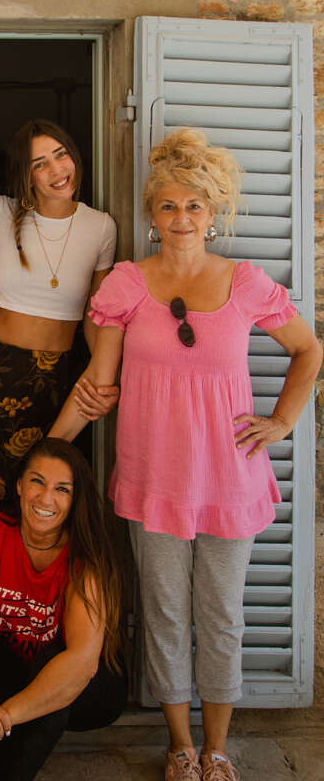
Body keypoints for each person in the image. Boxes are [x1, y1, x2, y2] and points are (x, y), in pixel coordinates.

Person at [49, 129, 322, 781]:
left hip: (230, 479)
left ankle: (218, 746)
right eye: (168, 206)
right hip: (153, 478)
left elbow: (308, 350)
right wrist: (53, 447)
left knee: (222, 616)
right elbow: (101, 384)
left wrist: (282, 421)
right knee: (166, 616)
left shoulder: (247, 283)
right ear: (151, 213)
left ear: (213, 212)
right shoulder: (127, 285)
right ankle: (179, 746)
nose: (181, 218)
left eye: (194, 206)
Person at [0, 438, 127, 781]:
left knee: (53, 668)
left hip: (91, 689)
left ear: (75, 499)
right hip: (17, 672)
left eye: (62, 489)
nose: (46, 498)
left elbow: (80, 664)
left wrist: (2, 715)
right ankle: (11, 751)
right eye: (37, 481)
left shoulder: (85, 554)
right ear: (19, 485)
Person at [0, 119, 119, 527]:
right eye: (39, 163)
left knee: (43, 495)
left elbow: (96, 318)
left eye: (61, 155)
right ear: (24, 174)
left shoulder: (101, 226)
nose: (56, 170)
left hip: (57, 377)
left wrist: (104, 378)